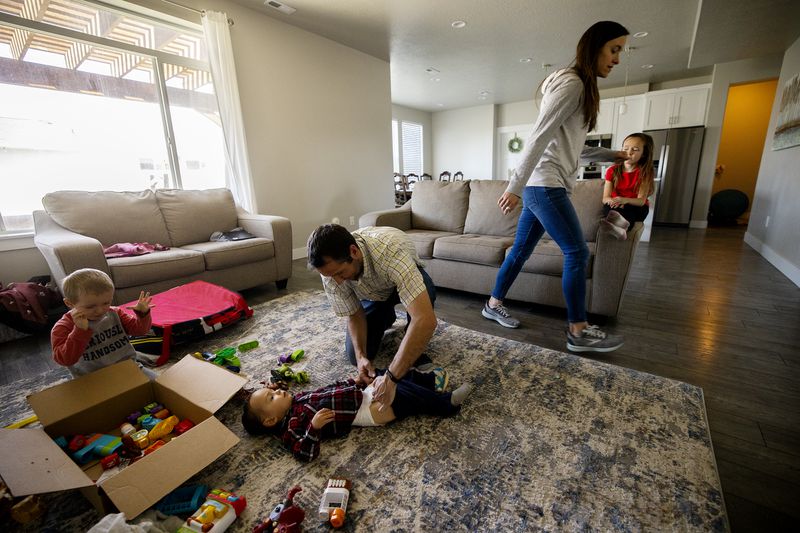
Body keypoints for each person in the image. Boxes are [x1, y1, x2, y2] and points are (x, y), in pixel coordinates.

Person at [481, 21, 629, 353]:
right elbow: (539, 135)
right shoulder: (573, 84)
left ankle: (492, 304)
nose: (617, 59)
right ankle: (578, 330)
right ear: (595, 47)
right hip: (545, 184)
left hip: (542, 184)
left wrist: (612, 155)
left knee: (520, 251)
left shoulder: (580, 87)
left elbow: (574, 147)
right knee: (577, 251)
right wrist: (514, 186)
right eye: (614, 49)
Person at [307, 224, 437, 409]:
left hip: (402, 275)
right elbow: (354, 313)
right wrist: (361, 357)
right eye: (330, 276)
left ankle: (405, 327)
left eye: (340, 273)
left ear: (353, 252)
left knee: (421, 318)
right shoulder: (330, 270)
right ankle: (385, 314)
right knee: (355, 356)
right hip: (374, 293)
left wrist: (391, 377)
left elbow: (425, 320)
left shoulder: (390, 253)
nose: (337, 282)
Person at [241, 368, 471, 462]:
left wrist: (354, 381)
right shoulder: (291, 427)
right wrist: (314, 427)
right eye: (271, 398)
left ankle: (429, 381)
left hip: (359, 394)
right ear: (270, 420)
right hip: (363, 413)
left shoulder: (297, 398)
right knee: (402, 395)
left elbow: (328, 390)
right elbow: (303, 453)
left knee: (385, 375)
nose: (278, 392)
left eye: (272, 391)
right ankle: (445, 404)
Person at [51, 268, 154, 377]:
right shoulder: (63, 327)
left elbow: (140, 330)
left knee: (158, 383)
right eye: (90, 306)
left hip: (128, 367)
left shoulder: (115, 313)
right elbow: (65, 360)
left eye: (106, 303)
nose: (100, 311)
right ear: (69, 303)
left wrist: (143, 314)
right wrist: (79, 331)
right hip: (92, 378)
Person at [600, 132, 656, 240]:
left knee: (630, 210)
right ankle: (619, 227)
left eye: (635, 149)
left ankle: (621, 227)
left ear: (644, 154)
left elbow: (641, 201)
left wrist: (624, 200)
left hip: (636, 206)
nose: (629, 152)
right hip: (616, 205)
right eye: (626, 148)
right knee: (607, 207)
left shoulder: (645, 172)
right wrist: (613, 201)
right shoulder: (612, 171)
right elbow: (605, 198)